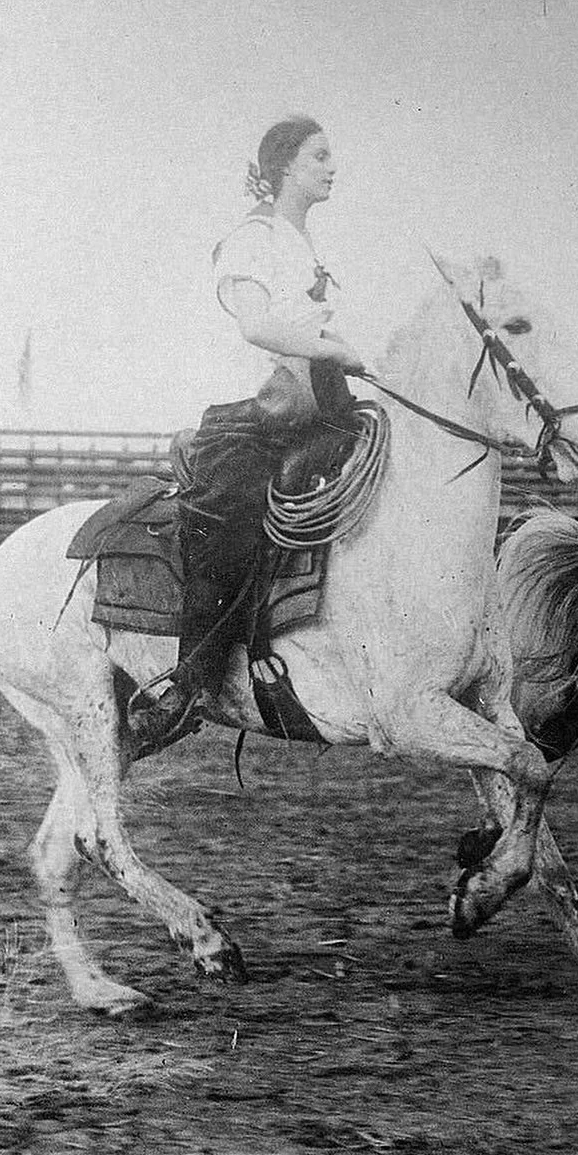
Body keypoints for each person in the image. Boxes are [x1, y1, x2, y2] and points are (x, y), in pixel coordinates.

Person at [129, 116, 367, 750]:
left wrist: (349, 356)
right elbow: (256, 328)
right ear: (285, 166)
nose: (332, 167)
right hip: (249, 416)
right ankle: (191, 680)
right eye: (320, 156)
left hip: (314, 404)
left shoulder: (301, 242)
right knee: (232, 512)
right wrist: (332, 349)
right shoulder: (251, 240)